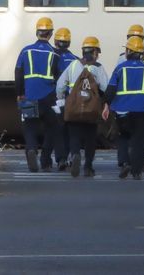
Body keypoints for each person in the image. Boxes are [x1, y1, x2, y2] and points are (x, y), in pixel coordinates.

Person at [104, 36, 144, 180]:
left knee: (123, 137)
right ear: (140, 53)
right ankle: (136, 170)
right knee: (138, 139)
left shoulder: (120, 69)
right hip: (141, 109)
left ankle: (125, 162)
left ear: (128, 51)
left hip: (121, 109)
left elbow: (111, 89)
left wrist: (106, 103)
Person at [14, 17, 62, 172]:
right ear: (50, 34)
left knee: (29, 127)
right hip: (48, 97)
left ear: (37, 32)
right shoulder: (54, 54)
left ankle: (31, 150)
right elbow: (59, 76)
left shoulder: (25, 51)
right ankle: (46, 161)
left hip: (29, 95)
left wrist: (20, 93)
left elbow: (18, 73)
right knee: (53, 128)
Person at [56, 36, 109, 178]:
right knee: (91, 138)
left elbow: (60, 85)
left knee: (74, 135)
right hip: (91, 110)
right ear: (95, 52)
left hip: (74, 108)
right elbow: (106, 87)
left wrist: (62, 101)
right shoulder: (98, 67)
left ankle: (74, 155)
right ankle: (88, 167)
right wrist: (105, 103)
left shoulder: (73, 64)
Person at [52, 27, 79, 170]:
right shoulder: (75, 60)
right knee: (70, 129)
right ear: (69, 42)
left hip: (57, 98)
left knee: (58, 129)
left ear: (56, 41)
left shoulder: (52, 56)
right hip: (73, 100)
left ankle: (61, 159)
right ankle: (71, 156)